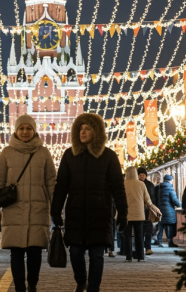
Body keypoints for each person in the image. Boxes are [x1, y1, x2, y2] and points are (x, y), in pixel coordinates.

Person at [51, 113, 128, 292]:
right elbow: (61, 185)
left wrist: (123, 212)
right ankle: (81, 281)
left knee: (97, 255)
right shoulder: (69, 155)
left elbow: (118, 186)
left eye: (87, 128)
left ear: (97, 131)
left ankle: (93, 288)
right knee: (75, 253)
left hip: (99, 214)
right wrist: (55, 210)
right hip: (76, 213)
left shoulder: (108, 156)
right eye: (80, 128)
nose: (83, 132)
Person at [0, 115, 56, 292]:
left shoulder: (43, 153)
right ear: (16, 130)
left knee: (35, 252)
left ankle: (32, 285)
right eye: (21, 128)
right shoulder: (6, 152)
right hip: (14, 210)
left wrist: (57, 210)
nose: (25, 132)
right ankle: (19, 287)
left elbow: (51, 182)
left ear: (34, 131)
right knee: (16, 252)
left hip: (38, 209)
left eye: (28, 128)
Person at [122, 166, 153, 262]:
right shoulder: (141, 184)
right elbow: (147, 199)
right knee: (139, 235)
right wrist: (152, 207)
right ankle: (140, 256)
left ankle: (128, 256)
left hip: (126, 214)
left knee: (127, 236)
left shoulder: (123, 184)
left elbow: (119, 199)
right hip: (139, 213)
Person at [155, 174, 182, 248]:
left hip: (160, 210)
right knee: (168, 227)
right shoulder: (170, 188)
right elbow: (174, 200)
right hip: (168, 210)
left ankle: (159, 241)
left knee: (160, 226)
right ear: (170, 180)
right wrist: (180, 205)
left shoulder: (159, 187)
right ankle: (170, 241)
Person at [137, 167, 156, 256]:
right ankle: (140, 248)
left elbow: (153, 198)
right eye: (140, 175)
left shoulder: (150, 185)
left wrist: (154, 209)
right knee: (140, 230)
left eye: (143, 175)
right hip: (139, 210)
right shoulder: (136, 185)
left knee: (148, 230)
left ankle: (148, 247)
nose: (142, 177)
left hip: (148, 210)